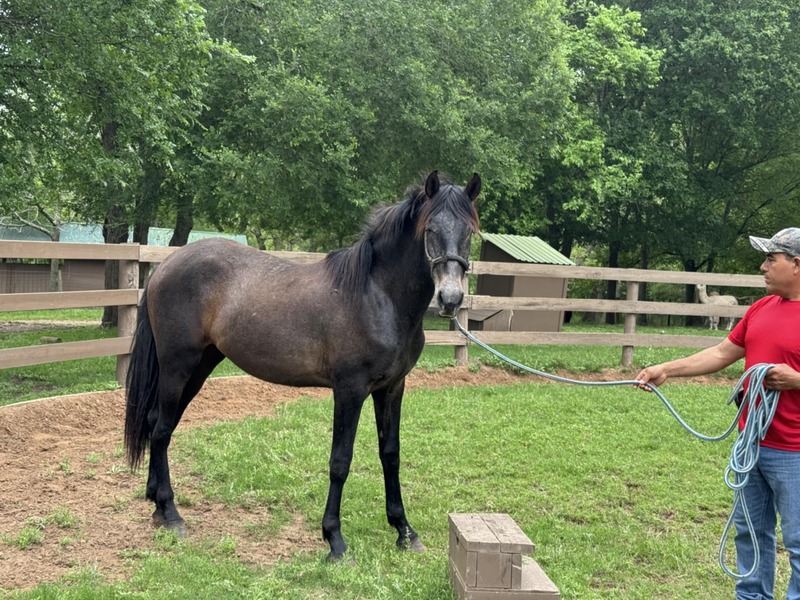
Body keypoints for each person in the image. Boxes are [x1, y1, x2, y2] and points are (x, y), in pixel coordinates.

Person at [636, 227, 800, 600]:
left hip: (795, 452)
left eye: (770, 260)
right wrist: (667, 369)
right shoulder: (760, 309)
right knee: (751, 534)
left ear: (796, 264)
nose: (762, 267)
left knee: (798, 541)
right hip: (752, 445)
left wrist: (797, 380)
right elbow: (722, 353)